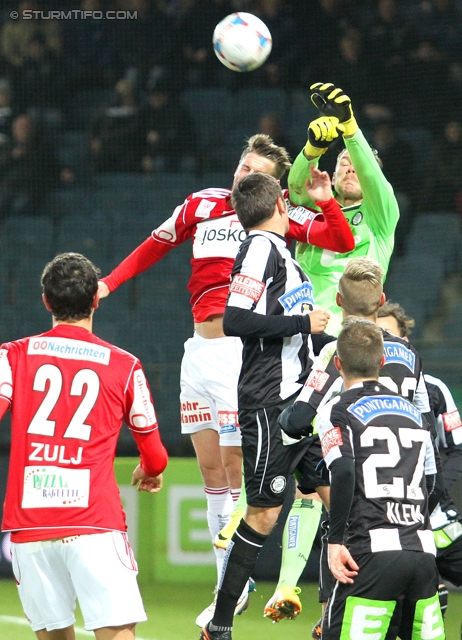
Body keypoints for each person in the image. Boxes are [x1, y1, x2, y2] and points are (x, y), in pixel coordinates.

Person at [98, 133, 355, 627]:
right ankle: (228, 586)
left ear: (276, 187)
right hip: (198, 350)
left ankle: (234, 590)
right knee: (211, 470)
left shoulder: (276, 219)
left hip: (244, 353)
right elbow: (156, 244)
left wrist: (324, 202)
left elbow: (339, 240)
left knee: (242, 467)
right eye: (242, 167)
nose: (243, 177)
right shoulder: (203, 204)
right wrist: (109, 282)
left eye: (255, 173)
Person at [265, 257, 439, 638]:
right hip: (412, 515)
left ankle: (309, 600)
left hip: (360, 513)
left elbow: (296, 422)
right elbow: (428, 423)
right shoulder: (410, 356)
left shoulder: (335, 354)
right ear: (382, 301)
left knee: (313, 483)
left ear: (339, 301)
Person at [0, 252, 168, 640]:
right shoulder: (124, 365)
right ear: (96, 299)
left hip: (31, 528)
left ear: (46, 301)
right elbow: (156, 456)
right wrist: (149, 470)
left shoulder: (13, 354)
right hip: (93, 521)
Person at [199, 170, 331, 640]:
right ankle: (218, 626)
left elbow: (299, 331)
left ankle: (332, 622)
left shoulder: (280, 254)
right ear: (279, 204)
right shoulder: (258, 248)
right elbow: (235, 319)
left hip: (301, 402)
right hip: (269, 402)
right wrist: (303, 323)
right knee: (263, 513)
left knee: (342, 504)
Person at [316, 317, 444, 640]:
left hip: (370, 555)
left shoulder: (336, 410)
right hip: (422, 555)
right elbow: (434, 482)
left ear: (338, 363)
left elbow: (343, 471)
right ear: (382, 362)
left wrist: (335, 542)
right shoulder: (415, 414)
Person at [288, 82, 400, 336]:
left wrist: (349, 127)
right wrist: (312, 150)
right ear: (334, 172)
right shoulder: (315, 210)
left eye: (357, 166)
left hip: (350, 336)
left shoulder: (381, 216)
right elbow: (297, 188)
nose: (351, 168)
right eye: (343, 163)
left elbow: (373, 176)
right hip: (299, 327)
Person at [377, 300, 462, 622]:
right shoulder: (357, 393)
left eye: (389, 333)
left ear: (405, 341)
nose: (384, 340)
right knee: (398, 609)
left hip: (435, 517)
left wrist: (432, 494)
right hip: (385, 522)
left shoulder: (434, 389)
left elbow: (458, 449)